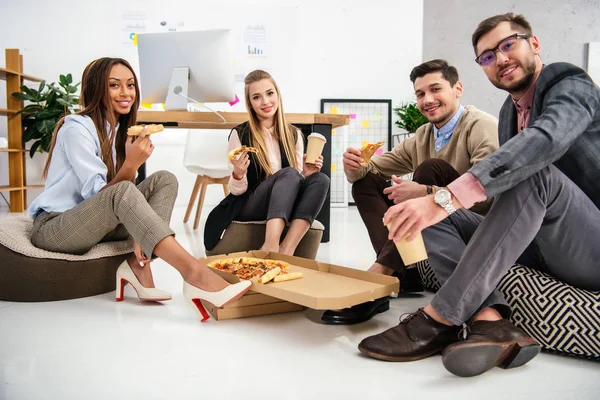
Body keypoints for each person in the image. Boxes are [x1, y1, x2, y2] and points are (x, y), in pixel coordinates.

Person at [358, 12, 600, 377]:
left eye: (508, 45)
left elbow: (546, 140)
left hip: (589, 242)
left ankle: (440, 318)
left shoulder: (569, 83)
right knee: (420, 213)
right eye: (487, 56)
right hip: (539, 242)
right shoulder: (508, 113)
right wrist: (433, 205)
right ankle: (491, 322)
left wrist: (445, 197)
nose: (500, 59)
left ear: (533, 45)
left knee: (533, 174)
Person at [28, 57, 251, 322]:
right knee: (123, 190)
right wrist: (132, 164)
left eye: (130, 85)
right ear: (96, 88)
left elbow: (117, 200)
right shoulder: (76, 128)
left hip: (95, 226)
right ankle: (194, 273)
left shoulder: (118, 131)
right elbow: (103, 196)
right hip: (56, 227)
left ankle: (138, 265)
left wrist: (140, 230)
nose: (126, 93)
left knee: (165, 179)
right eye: (114, 85)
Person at [321, 60, 499, 325]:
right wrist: (355, 165)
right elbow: (372, 169)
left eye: (435, 89)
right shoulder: (423, 135)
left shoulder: (481, 125)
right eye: (420, 94)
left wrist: (425, 191)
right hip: (437, 221)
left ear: (457, 88)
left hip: (475, 222)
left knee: (431, 169)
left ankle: (382, 274)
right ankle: (402, 273)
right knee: (366, 182)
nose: (427, 99)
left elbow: (488, 196)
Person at [204, 70, 329, 255]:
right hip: (250, 203)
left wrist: (307, 174)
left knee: (321, 179)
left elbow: (295, 183)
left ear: (277, 94)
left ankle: (287, 249)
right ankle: (270, 245)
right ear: (250, 104)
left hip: (284, 201)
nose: (265, 102)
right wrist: (238, 173)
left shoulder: (294, 135)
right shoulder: (240, 134)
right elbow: (236, 191)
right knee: (289, 174)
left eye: (270, 93)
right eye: (256, 97)